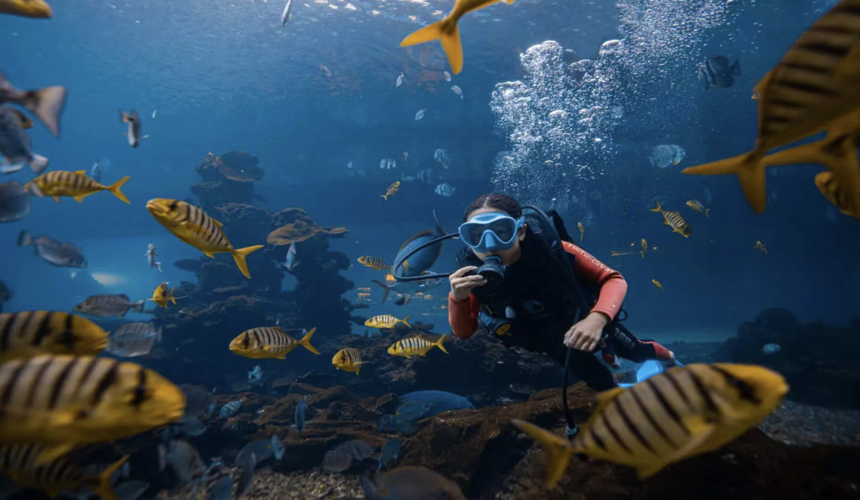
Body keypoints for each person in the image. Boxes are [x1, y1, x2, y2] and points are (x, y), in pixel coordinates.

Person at [447, 193, 675, 391]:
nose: (489, 243)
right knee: (599, 382)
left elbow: (613, 279)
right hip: (551, 341)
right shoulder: (472, 275)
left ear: (521, 231)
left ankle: (673, 363)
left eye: (501, 231)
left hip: (586, 318)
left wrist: (597, 319)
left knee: (636, 351)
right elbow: (464, 332)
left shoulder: (552, 249)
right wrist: (457, 298)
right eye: (475, 235)